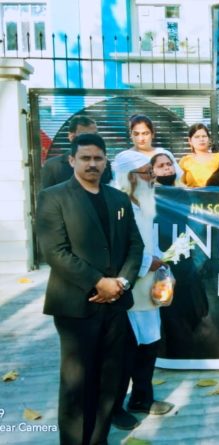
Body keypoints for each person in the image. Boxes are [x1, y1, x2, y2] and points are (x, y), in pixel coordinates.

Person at [36, 133, 144, 444]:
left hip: (116, 303)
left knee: (110, 381)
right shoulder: (53, 197)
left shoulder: (119, 199)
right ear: (71, 160)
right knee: (77, 383)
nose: (92, 163)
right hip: (76, 305)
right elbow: (56, 252)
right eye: (85, 158)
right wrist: (99, 282)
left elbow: (135, 246)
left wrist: (121, 282)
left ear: (106, 160)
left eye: (98, 158)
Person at [110, 151, 175, 430]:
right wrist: (149, 263)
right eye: (145, 172)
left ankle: (141, 398)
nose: (151, 177)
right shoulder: (117, 204)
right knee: (125, 350)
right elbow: (118, 249)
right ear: (128, 176)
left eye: (151, 171)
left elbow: (151, 242)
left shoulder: (144, 201)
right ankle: (112, 407)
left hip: (148, 285)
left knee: (149, 342)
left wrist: (163, 268)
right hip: (127, 284)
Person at [41, 116, 113, 189]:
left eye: (94, 135)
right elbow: (46, 197)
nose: (91, 139)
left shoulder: (104, 163)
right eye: (84, 136)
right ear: (71, 137)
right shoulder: (53, 166)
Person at [120, 114, 183, 179]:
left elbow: (179, 180)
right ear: (131, 135)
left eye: (145, 133)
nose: (141, 138)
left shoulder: (165, 154)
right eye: (136, 134)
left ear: (152, 134)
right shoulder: (124, 158)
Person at [178, 123, 219, 187]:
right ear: (190, 141)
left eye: (204, 136)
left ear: (209, 139)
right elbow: (179, 184)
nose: (201, 139)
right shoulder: (185, 161)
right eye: (197, 137)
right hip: (192, 196)